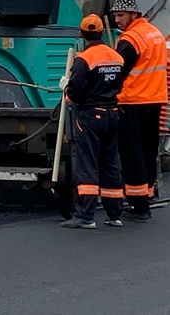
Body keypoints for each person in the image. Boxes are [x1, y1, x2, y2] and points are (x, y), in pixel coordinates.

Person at [59, 15, 125, 229]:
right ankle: (115, 214)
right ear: (102, 32)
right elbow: (119, 85)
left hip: (90, 116)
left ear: (81, 34)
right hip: (112, 113)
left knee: (87, 164)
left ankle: (85, 216)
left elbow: (75, 92)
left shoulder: (83, 59)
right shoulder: (116, 57)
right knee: (110, 163)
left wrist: (66, 88)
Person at [111, 0, 168, 221]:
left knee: (132, 153)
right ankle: (147, 194)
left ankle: (138, 204)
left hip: (132, 102)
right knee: (148, 151)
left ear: (134, 14)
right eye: (115, 16)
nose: (117, 20)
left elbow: (116, 72)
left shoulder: (130, 40)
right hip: (154, 101)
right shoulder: (154, 33)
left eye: (121, 15)